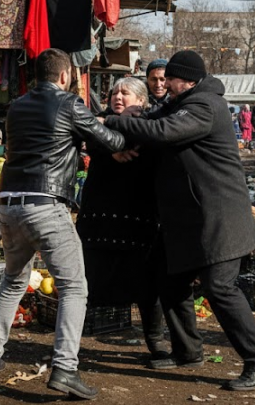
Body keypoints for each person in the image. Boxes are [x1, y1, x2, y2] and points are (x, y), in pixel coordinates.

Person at [105, 50, 255, 392]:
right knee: (169, 282)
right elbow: (156, 117)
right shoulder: (183, 101)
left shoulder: (204, 106)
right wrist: (131, 114)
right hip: (189, 221)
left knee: (220, 288)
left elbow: (165, 130)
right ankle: (189, 351)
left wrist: (114, 121)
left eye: (170, 78)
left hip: (219, 218)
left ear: (188, 80)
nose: (164, 83)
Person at [0, 49, 125, 400]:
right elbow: (112, 143)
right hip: (46, 207)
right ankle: (65, 369)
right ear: (64, 76)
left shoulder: (17, 107)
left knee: (12, 282)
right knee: (74, 288)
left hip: (9, 206)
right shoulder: (70, 104)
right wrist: (109, 130)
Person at [77, 77, 173, 362]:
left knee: (147, 283)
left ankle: (156, 340)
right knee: (88, 280)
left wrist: (132, 126)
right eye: (114, 92)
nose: (118, 96)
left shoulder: (152, 124)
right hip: (101, 214)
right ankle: (71, 345)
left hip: (139, 215)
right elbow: (86, 134)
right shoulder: (99, 123)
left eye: (126, 93)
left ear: (141, 101)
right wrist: (110, 144)